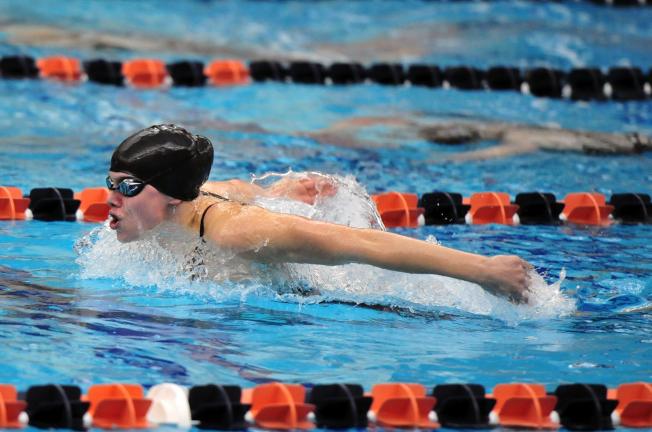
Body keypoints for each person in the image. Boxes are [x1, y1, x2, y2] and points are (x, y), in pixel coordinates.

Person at [107, 124, 532, 303]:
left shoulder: (236, 233)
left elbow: (357, 243)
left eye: (126, 187)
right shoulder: (172, 209)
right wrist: (278, 192)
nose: (112, 198)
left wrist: (483, 270)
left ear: (173, 196)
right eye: (111, 184)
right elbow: (235, 190)